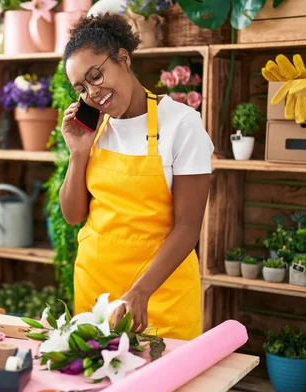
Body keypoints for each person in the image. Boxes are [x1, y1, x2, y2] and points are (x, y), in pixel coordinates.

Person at [59, 13, 214, 340]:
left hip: (158, 297)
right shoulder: (94, 129)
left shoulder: (182, 124)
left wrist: (140, 292)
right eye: (81, 88)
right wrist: (78, 153)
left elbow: (188, 227)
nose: (92, 93)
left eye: (95, 76)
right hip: (95, 293)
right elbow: (74, 216)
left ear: (123, 59)